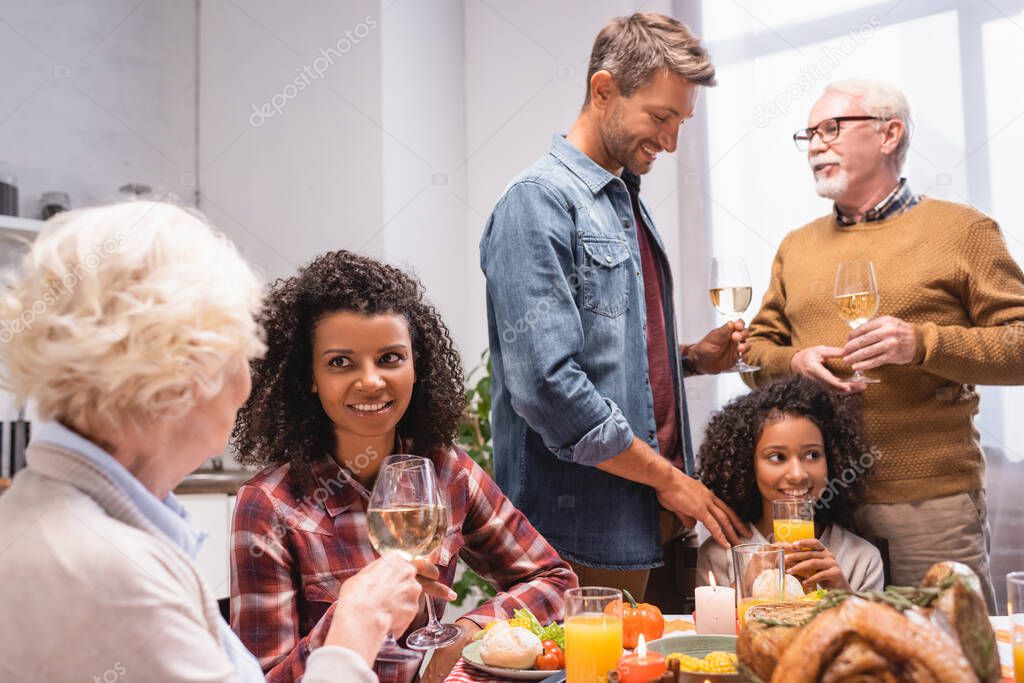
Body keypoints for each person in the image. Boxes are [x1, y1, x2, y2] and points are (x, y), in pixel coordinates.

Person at [0, 202, 430, 682]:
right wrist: (356, 626)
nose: (248, 381)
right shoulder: (110, 578)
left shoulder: (57, 516)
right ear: (182, 372)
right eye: (242, 350)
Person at [480, 12, 750, 599]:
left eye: (682, 121)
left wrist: (693, 359)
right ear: (604, 90)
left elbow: (610, 355)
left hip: (648, 525)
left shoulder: (624, 200)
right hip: (575, 536)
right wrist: (669, 479)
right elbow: (548, 385)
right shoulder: (538, 203)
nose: (672, 141)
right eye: (661, 117)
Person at [230, 250, 577, 683]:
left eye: (390, 358)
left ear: (417, 367)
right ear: (310, 377)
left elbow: (555, 580)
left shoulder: (448, 472)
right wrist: (354, 617)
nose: (372, 380)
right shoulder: (268, 507)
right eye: (341, 362)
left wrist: (467, 632)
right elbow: (261, 678)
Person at [743, 79, 1024, 611]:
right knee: (831, 657)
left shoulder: (964, 231)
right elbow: (755, 351)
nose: (816, 145)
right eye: (808, 134)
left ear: (890, 133)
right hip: (819, 510)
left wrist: (922, 342)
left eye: (831, 128)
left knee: (943, 657)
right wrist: (791, 361)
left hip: (928, 508)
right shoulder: (795, 246)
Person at [696, 375, 884, 593]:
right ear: (748, 465)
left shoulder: (861, 559)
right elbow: (709, 626)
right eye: (777, 457)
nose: (797, 474)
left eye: (812, 455)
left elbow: (869, 626)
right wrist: (743, 585)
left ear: (832, 460)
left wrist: (843, 596)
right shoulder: (721, 555)